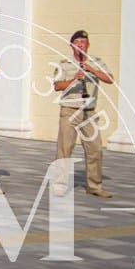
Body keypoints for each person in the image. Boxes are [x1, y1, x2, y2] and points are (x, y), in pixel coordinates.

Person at [51, 30, 113, 198]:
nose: (80, 44)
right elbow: (57, 86)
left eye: (83, 42)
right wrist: (74, 80)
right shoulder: (64, 64)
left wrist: (92, 70)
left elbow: (109, 79)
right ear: (72, 46)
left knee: (95, 149)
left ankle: (94, 185)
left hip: (89, 112)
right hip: (69, 111)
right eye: (77, 41)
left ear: (88, 45)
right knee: (65, 149)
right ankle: (59, 185)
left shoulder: (96, 62)